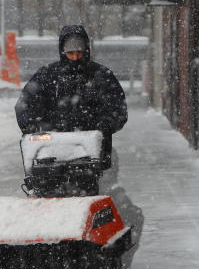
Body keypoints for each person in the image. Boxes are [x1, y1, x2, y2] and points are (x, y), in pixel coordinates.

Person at [15, 25, 127, 168]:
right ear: (63, 51)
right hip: (50, 151)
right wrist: (32, 125)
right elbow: (25, 103)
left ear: (86, 51)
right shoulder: (47, 76)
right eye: (71, 53)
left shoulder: (100, 76)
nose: (75, 58)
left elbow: (117, 107)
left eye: (79, 53)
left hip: (89, 151)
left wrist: (106, 124)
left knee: (88, 187)